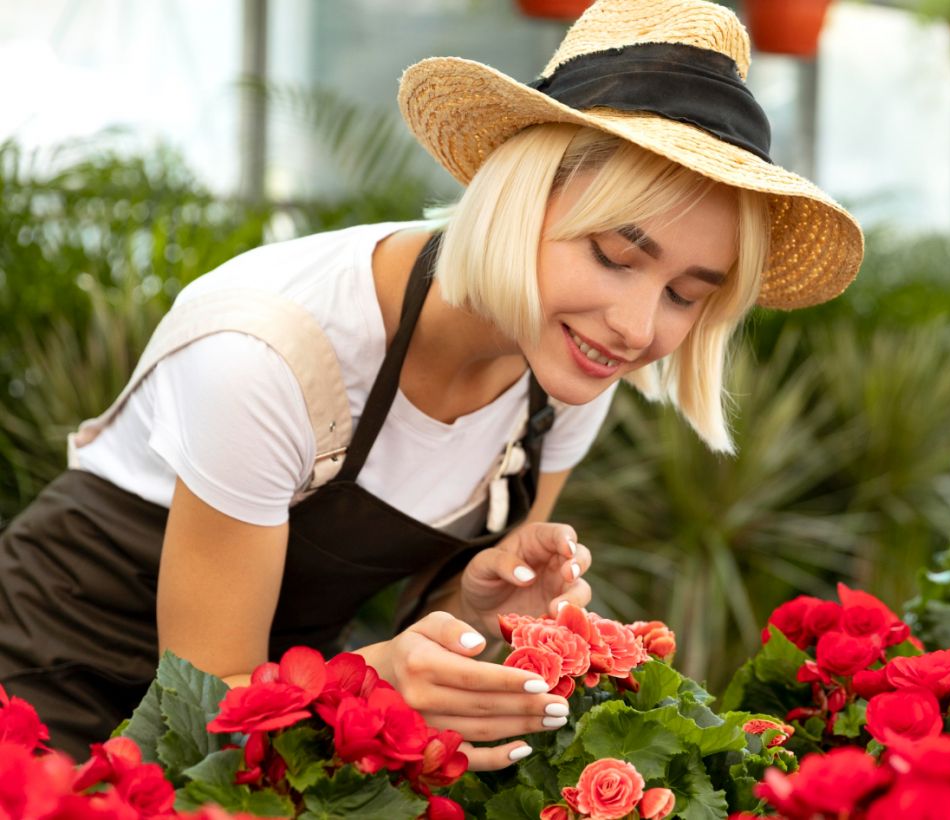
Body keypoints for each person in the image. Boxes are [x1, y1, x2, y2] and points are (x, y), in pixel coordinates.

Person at [0, 0, 863, 763]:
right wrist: (373, 681)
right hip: (47, 698)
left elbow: (316, 687)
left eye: (685, 295)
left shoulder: (566, 372)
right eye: (613, 255)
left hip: (265, 731)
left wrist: (478, 600)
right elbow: (200, 718)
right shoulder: (267, 351)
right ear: (520, 197)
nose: (639, 329)